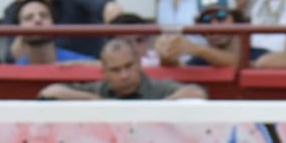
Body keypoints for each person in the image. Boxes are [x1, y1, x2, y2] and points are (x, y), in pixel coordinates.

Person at [37, 37, 206, 99]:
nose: (124, 75)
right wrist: (95, 102)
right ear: (104, 72)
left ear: (139, 64)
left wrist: (158, 110)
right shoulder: (98, 90)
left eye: (128, 66)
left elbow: (197, 93)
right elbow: (48, 93)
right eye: (116, 70)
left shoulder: (157, 88)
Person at [155, 0, 243, 69]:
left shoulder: (254, 46)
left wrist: (196, 49)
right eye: (206, 20)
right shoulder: (202, 58)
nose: (214, 26)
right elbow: (180, 70)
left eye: (220, 16)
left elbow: (237, 61)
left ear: (234, 18)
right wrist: (166, 53)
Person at [7, 0, 95, 64]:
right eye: (29, 18)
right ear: (18, 29)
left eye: (44, 15)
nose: (38, 20)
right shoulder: (16, 69)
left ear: (54, 23)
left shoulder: (81, 63)